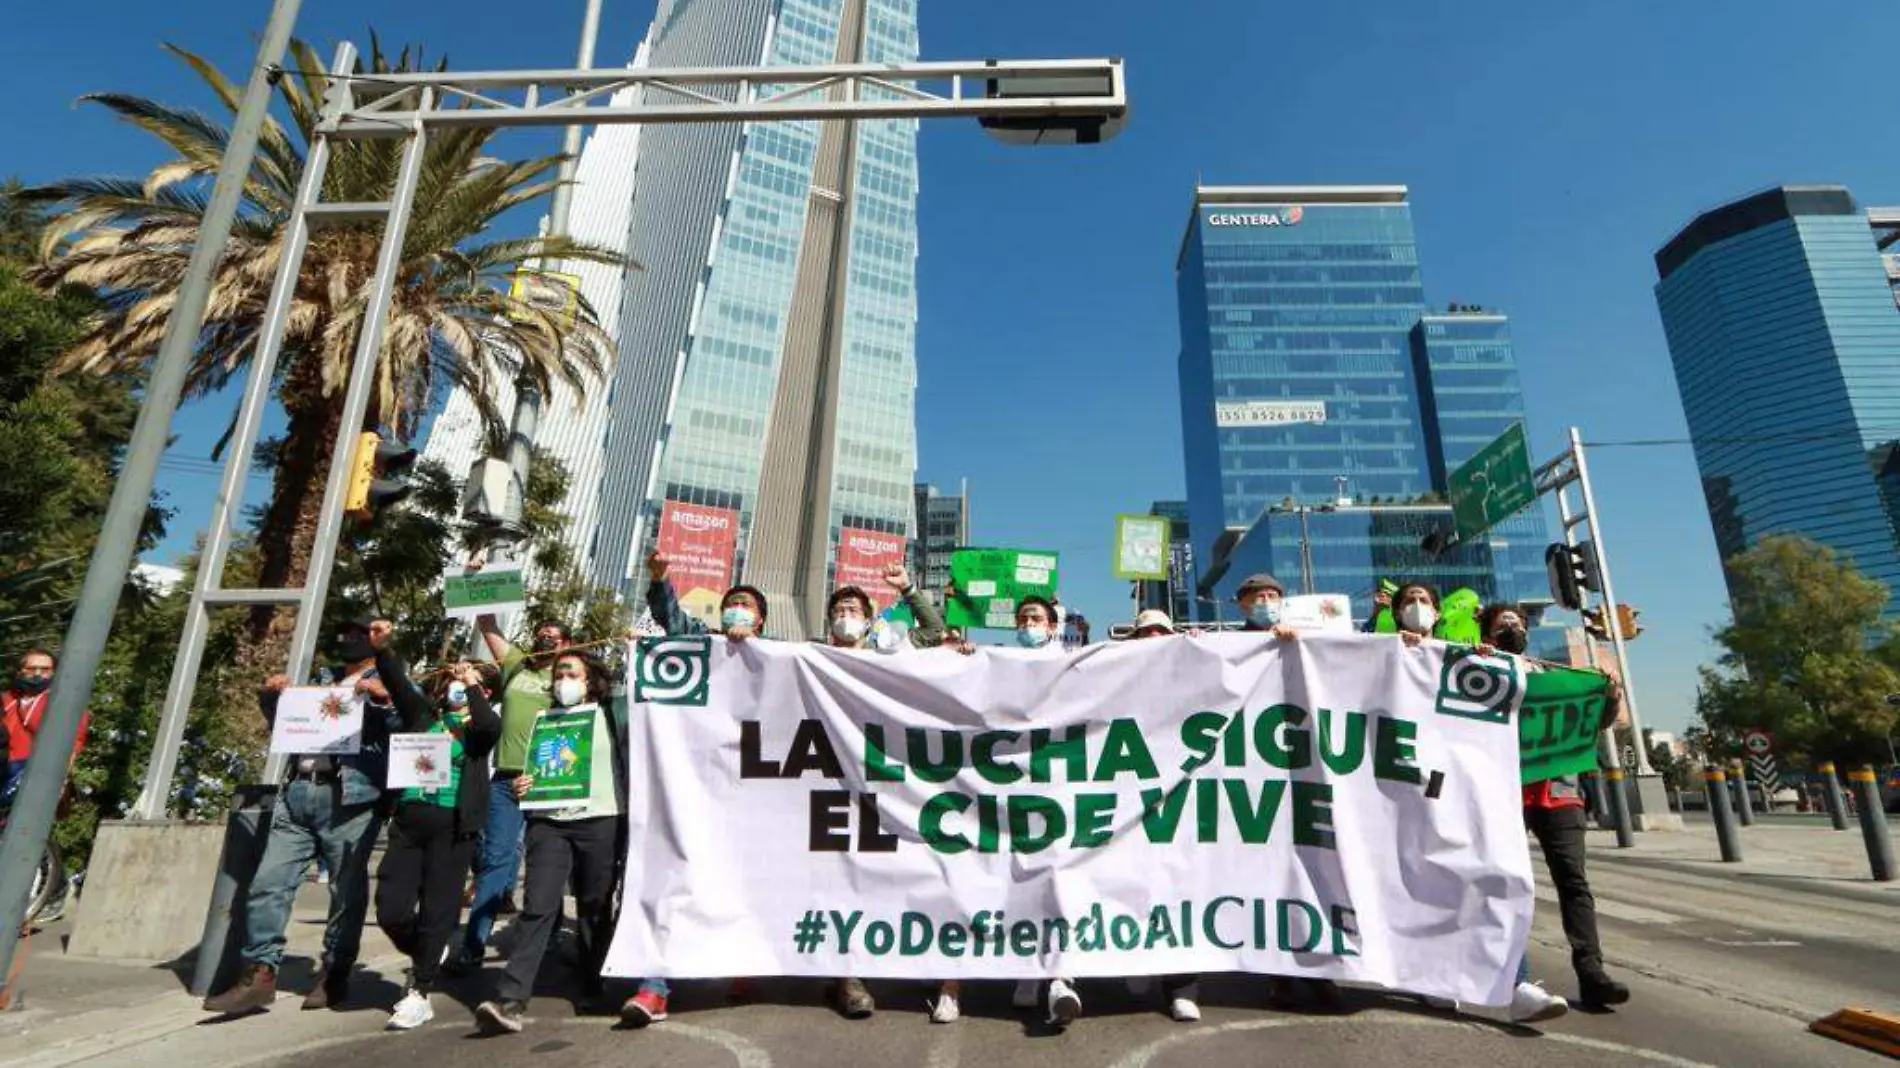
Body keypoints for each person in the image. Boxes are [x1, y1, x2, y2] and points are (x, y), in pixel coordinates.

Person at [203, 616, 402, 1015]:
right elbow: (283, 725)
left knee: (344, 891)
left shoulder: (390, 679)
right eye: (344, 632)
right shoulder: (321, 680)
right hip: (298, 790)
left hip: (350, 797)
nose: (348, 639)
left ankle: (335, 970)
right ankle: (260, 971)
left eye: (358, 634)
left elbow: (410, 723)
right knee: (268, 882)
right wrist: (272, 696)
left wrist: (384, 699)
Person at [477, 651, 663, 1034]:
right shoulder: (544, 719)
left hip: (602, 818)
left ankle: (595, 981)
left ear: (591, 679)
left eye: (571, 671)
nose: (563, 678)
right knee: (538, 905)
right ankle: (510, 999)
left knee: (595, 904)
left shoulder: (611, 712)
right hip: (549, 822)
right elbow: (535, 767)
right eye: (559, 671)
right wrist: (522, 783)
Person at [1481, 603, 1630, 1015]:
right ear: (1488, 635)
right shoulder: (1479, 674)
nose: (1512, 628)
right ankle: (1508, 974)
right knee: (1506, 883)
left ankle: (1592, 973)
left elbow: (1593, 723)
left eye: (1517, 622)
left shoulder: (1556, 677)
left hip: (1559, 795)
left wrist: (1610, 696)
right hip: (1505, 795)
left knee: (1574, 883)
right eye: (1502, 624)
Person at [820, 564, 947, 1019]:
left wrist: (909, 591)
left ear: (871, 619)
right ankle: (847, 977)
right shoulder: (809, 658)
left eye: (853, 609)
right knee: (837, 876)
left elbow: (934, 631)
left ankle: (914, 957)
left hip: (885, 782)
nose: (845, 615)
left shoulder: (887, 651)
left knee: (899, 869)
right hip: (828, 780)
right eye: (839, 609)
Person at [447, 591, 573, 975]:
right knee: (496, 862)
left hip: (549, 781)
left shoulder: (568, 676)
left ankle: (544, 934)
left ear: (567, 644)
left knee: (544, 864)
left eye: (553, 636)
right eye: (541, 633)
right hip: (505, 779)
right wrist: (477, 581)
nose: (545, 639)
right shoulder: (517, 666)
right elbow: (487, 625)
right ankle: (473, 945)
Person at [375, 654, 501, 1030]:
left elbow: (488, 725)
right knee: (391, 910)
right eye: (454, 678)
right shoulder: (425, 717)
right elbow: (398, 685)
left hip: (452, 827)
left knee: (438, 909)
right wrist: (383, 650)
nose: (457, 683)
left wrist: (474, 685)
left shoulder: (477, 729)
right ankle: (427, 949)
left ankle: (420, 990)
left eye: (467, 680)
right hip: (409, 824)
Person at [1003, 596, 1085, 1028]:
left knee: (1059, 877)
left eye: (1035, 618)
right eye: (1022, 619)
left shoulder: (1073, 663)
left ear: (1054, 626)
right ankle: (1027, 971)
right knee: (1020, 877)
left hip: (1062, 786)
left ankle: (1059, 977)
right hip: (1013, 787)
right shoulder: (999, 663)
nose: (1028, 625)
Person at [1125, 610, 1202, 1023]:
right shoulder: (1113, 672)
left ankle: (1181, 985)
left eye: (1161, 631)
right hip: (1125, 798)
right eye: (1145, 632)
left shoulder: (1193, 667)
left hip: (1179, 800)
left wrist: (1207, 650)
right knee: (1131, 884)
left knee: (1178, 887)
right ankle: (1135, 963)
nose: (1153, 637)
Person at [1, 648, 90, 802]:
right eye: (31, 669)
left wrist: (60, 778)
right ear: (19, 672)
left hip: (34, 772)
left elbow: (72, 743)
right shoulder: (6, 700)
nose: (37, 674)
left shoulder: (63, 702)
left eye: (45, 670)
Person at [646, 552, 768, 640]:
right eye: (732, 604)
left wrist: (754, 643)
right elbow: (672, 619)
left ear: (760, 619)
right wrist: (660, 577)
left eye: (745, 604)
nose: (737, 608)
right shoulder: (704, 638)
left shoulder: (776, 649)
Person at [1234, 574, 1300, 641]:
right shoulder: (1232, 640)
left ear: (1280, 603)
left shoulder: (1299, 632)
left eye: (1272, 596)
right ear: (1243, 606)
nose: (1266, 601)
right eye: (1260, 596)